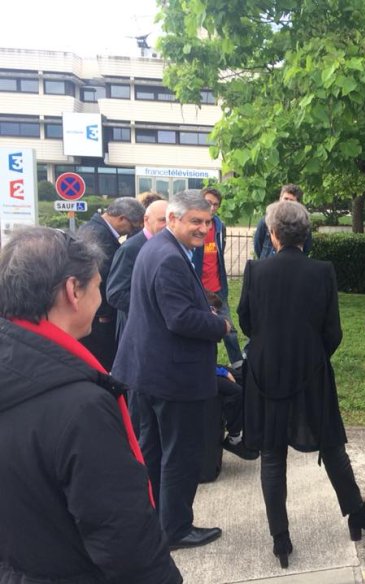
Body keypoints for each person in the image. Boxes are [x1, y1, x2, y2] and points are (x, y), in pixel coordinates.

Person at [0, 227, 181, 583]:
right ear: (73, 291)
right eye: (98, 287)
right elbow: (124, 536)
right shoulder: (80, 406)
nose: (103, 298)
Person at [238, 201, 365, 569]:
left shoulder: (255, 270)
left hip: (265, 371)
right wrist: (312, 356)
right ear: (307, 235)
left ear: (272, 234)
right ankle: (358, 514)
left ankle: (280, 539)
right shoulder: (322, 271)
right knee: (333, 446)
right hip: (310, 370)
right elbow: (332, 331)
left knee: (272, 456)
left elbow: (246, 322)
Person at [113, 190, 229, 550]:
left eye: (207, 222)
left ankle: (157, 522)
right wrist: (219, 325)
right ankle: (176, 529)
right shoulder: (168, 257)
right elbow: (179, 319)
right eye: (196, 221)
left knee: (153, 450)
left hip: (149, 369)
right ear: (173, 219)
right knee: (178, 454)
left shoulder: (158, 247)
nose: (203, 229)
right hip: (171, 376)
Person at [78, 196, 145, 370]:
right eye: (132, 226)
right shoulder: (98, 237)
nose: (131, 232)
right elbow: (103, 280)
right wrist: (104, 315)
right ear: (121, 218)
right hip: (100, 317)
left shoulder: (96, 229)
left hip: (97, 314)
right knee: (103, 363)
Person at [192, 186, 243, 366]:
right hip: (198, 288)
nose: (212, 207)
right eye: (208, 203)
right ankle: (205, 367)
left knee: (229, 331)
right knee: (202, 332)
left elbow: (219, 254)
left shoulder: (220, 226)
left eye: (216, 204)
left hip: (218, 288)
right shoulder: (192, 226)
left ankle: (238, 366)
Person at [106, 199, 168, 341]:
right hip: (136, 332)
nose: (167, 225)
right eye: (162, 220)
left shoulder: (166, 244)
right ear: (146, 219)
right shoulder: (131, 248)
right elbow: (115, 294)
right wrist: (155, 307)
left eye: (170, 220)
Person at [253, 184, 313, 258]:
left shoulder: (303, 223)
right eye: (285, 199)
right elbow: (258, 245)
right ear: (280, 199)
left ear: (297, 203)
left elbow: (306, 247)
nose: (287, 203)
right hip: (267, 265)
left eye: (291, 200)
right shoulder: (266, 221)